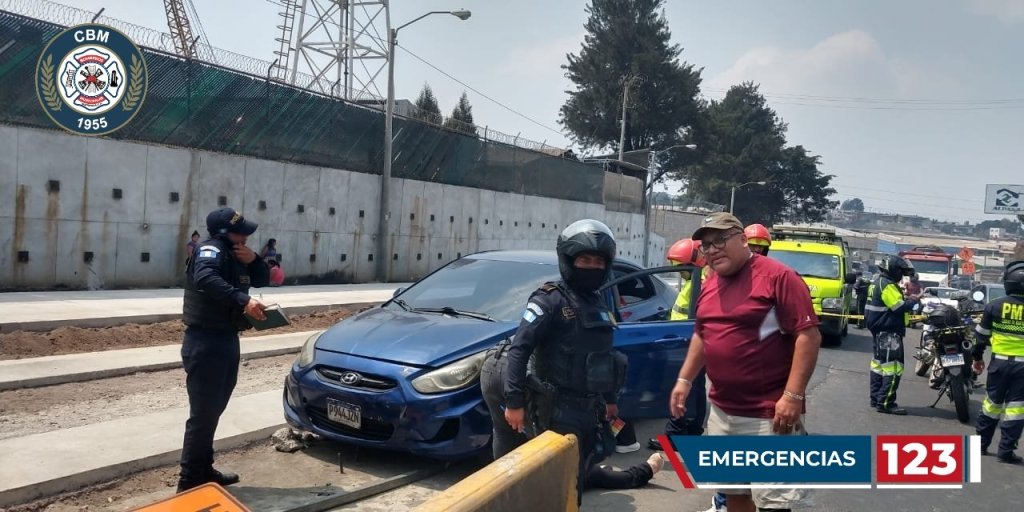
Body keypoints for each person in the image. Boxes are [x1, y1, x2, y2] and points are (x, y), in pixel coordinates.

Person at [671, 212, 821, 512]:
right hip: (723, 413)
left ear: (743, 240)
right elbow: (704, 333)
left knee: (773, 503)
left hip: (768, 415)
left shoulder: (778, 277)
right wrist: (684, 379)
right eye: (706, 245)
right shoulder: (711, 282)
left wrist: (792, 395)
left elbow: (808, 336)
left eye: (720, 240)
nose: (712, 249)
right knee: (735, 494)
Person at [502, 219, 628, 504]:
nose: (592, 266)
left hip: (590, 407)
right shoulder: (549, 301)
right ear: (569, 260)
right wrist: (514, 402)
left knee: (577, 476)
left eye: (598, 261)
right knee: (557, 482)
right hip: (556, 409)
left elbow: (604, 355)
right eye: (585, 259)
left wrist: (609, 400)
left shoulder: (598, 302)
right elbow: (519, 350)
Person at [480, 340, 665, 489]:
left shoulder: (553, 305)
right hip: (525, 376)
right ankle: (645, 470)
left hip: (495, 361)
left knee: (506, 432)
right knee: (561, 456)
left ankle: (502, 491)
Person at [177, 207, 270, 492]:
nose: (245, 237)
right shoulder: (210, 250)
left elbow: (263, 279)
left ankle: (204, 470)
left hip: (227, 338)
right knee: (203, 415)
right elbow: (205, 278)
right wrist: (243, 300)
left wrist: (254, 260)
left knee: (214, 410)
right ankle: (190, 480)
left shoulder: (235, 253)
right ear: (222, 232)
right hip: (206, 342)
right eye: (240, 232)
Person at [971, 260, 1024, 464]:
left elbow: (981, 337)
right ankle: (1006, 451)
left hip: (999, 364)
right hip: (1023, 368)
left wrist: (977, 359)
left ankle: (980, 446)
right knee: (1016, 410)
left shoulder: (995, 305)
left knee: (991, 405)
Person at [865, 255, 919, 415]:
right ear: (894, 270)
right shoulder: (887, 285)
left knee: (879, 365)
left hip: (879, 331)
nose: (902, 276)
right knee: (893, 367)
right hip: (888, 331)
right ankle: (886, 402)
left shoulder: (877, 282)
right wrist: (914, 301)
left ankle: (876, 398)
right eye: (901, 272)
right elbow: (899, 307)